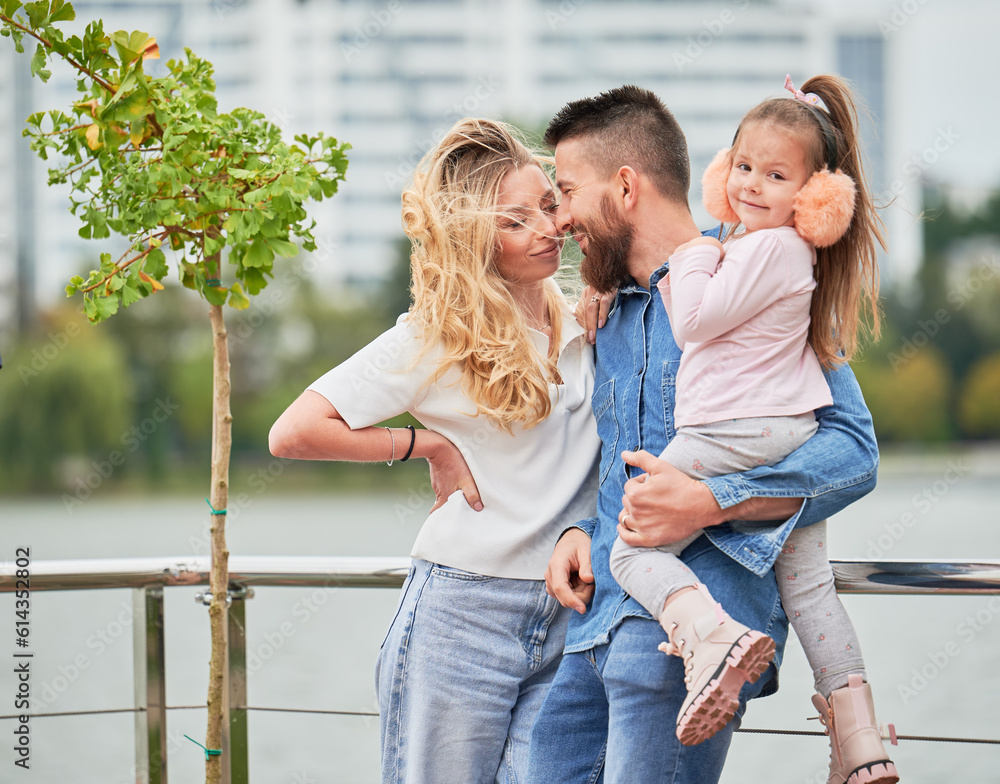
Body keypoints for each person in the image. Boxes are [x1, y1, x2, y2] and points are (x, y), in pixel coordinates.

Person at [526, 85, 880, 784]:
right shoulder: (608, 314)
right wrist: (575, 526)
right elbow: (618, 462)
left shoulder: (747, 282)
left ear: (625, 187)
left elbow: (853, 454)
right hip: (590, 634)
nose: (560, 218)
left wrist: (716, 499)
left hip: (679, 656)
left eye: (566, 191)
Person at [268, 118, 601, 784]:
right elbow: (294, 431)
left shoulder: (584, 318)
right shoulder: (434, 337)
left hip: (570, 615)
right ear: (476, 239)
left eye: (546, 205)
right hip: (461, 618)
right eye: (514, 222)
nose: (546, 228)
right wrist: (427, 445)